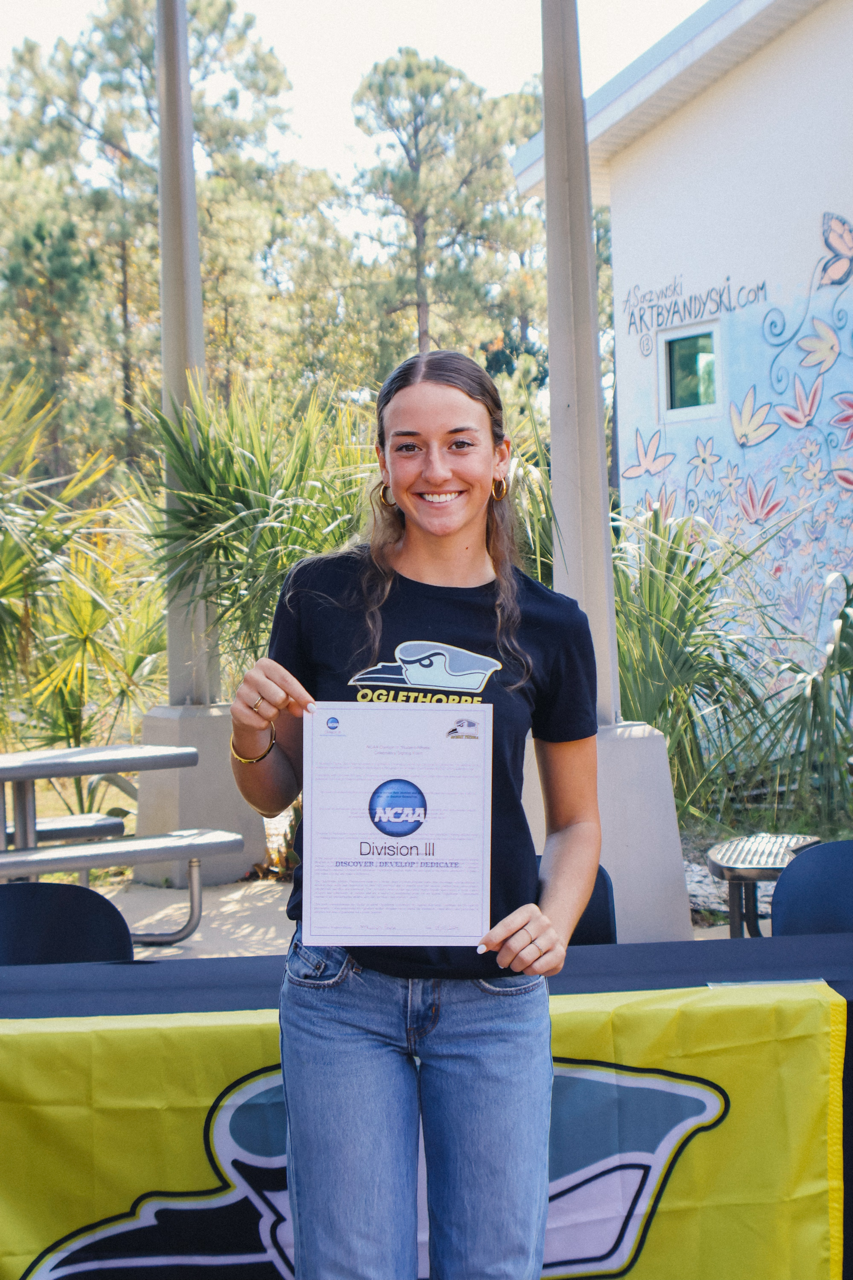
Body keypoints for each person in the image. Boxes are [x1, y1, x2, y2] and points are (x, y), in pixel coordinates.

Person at [230, 350, 601, 1280]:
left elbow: (575, 825)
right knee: (351, 1267)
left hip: (493, 998)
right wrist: (246, 737)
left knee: (494, 1266)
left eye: (459, 444)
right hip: (339, 992)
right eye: (410, 447)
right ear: (384, 462)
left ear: (501, 456)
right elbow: (278, 789)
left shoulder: (551, 626)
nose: (435, 471)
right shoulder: (318, 596)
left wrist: (552, 924)